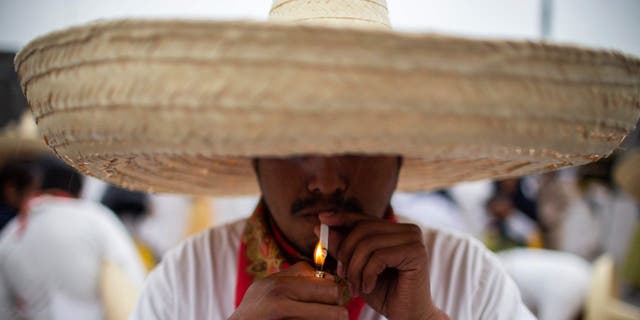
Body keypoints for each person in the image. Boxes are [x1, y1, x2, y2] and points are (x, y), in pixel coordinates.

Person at [14, 0, 640, 319]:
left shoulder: (465, 275)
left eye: (360, 142)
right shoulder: (187, 278)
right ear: (252, 151)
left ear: (402, 150)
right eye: (292, 143)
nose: (326, 178)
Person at [0, 157, 146, 320]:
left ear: (37, 185)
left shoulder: (10, 235)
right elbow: (132, 283)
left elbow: (4, 310)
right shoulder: (95, 218)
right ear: (80, 188)